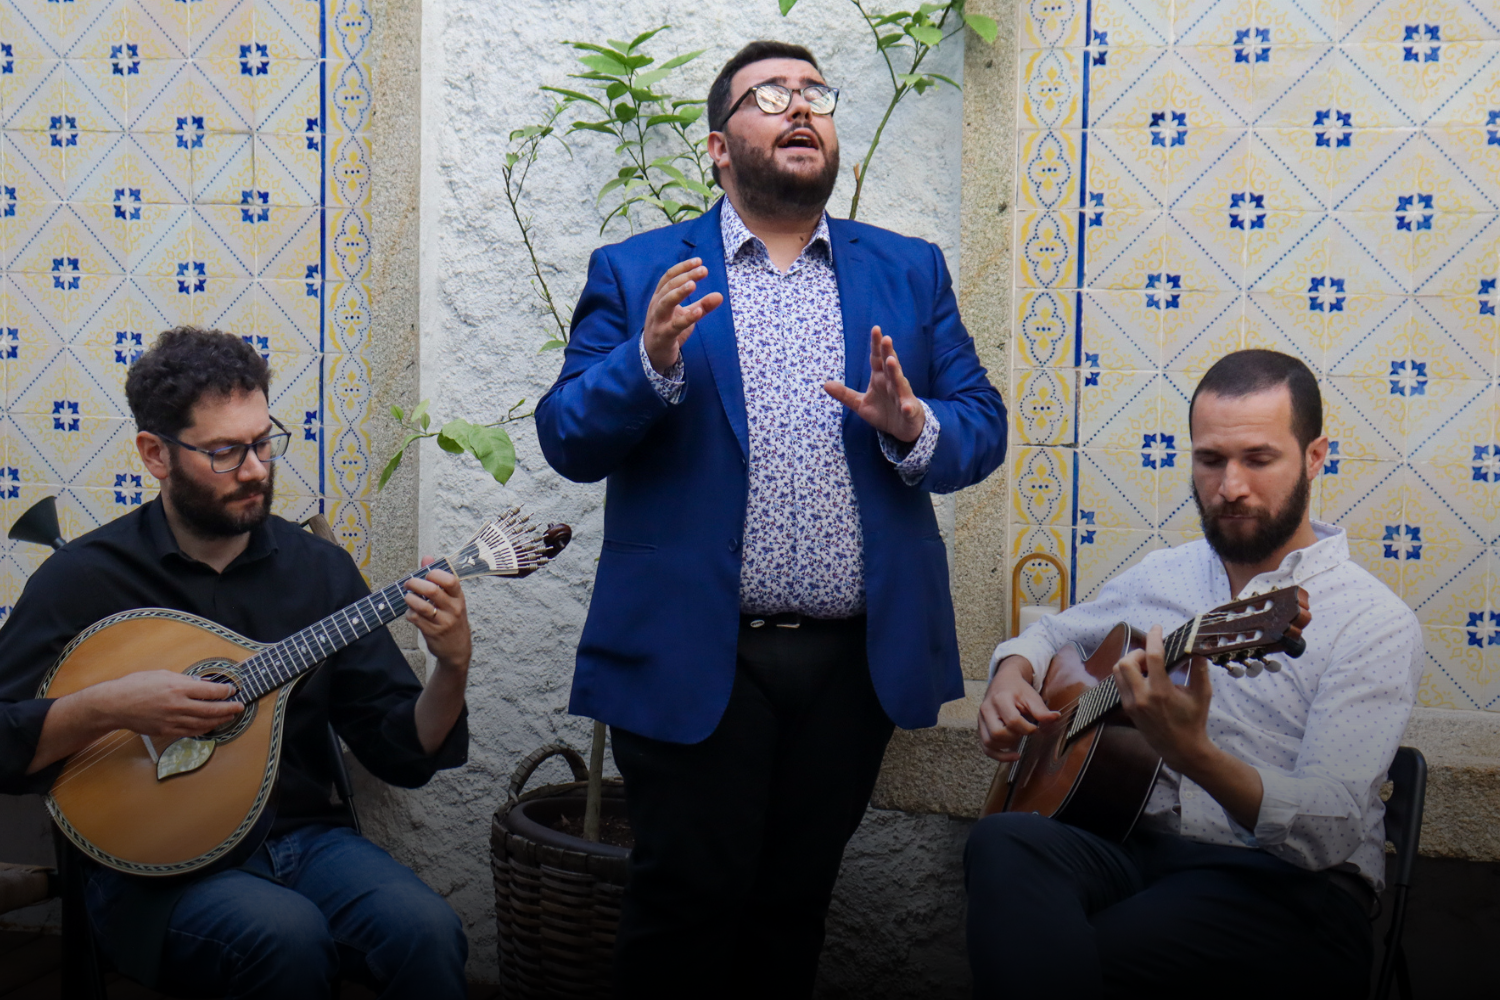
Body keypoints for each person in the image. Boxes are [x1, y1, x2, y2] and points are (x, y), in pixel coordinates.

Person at [535, 39, 1007, 998]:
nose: (800, 107)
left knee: (793, 910)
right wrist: (647, 364)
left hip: (851, 665)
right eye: (769, 95)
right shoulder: (639, 271)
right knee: (684, 913)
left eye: (815, 94)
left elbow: (983, 425)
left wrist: (913, 424)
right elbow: (567, 437)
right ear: (719, 146)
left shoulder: (909, 270)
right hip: (694, 653)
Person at [0, 327, 472, 999]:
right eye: (224, 452)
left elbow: (400, 752)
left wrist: (450, 668)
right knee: (284, 938)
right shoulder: (84, 579)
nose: (255, 469)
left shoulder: (319, 572)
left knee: (426, 931)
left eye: (262, 441)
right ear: (155, 454)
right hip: (154, 869)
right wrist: (107, 706)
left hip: (305, 840)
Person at [967, 349, 1421, 998]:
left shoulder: (1372, 622)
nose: (1230, 486)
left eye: (1258, 459)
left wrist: (1193, 754)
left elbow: (1327, 832)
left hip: (1288, 889)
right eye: (1210, 460)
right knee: (1002, 841)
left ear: (1315, 457)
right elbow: (1050, 636)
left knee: (1073, 955)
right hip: (1138, 851)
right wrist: (1012, 672)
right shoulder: (1166, 574)